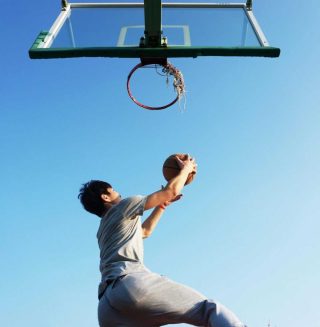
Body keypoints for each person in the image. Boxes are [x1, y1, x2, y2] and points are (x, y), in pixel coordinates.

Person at [78, 155, 246, 327]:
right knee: (208, 309)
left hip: (107, 308)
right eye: (115, 192)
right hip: (130, 285)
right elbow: (171, 191)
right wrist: (186, 169)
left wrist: (161, 206)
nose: (120, 195)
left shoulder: (103, 230)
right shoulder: (124, 206)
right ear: (105, 197)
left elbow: (144, 231)